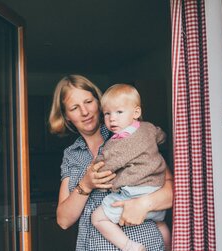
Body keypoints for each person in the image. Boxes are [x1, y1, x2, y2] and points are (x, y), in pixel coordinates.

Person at [49, 75, 173, 250]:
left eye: (88, 102)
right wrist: (85, 184)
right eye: (75, 107)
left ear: (99, 102)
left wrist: (143, 204)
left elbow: (171, 191)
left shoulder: (131, 133)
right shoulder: (71, 154)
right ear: (67, 116)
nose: (84, 112)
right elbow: (63, 220)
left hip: (144, 243)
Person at [91, 84, 169, 251]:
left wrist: (95, 165)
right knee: (160, 223)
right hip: (156, 190)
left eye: (119, 112)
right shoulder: (149, 128)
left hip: (134, 193)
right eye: (107, 113)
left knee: (97, 218)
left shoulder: (118, 143)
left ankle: (130, 246)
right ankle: (170, 246)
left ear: (136, 113)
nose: (112, 119)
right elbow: (161, 136)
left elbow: (104, 166)